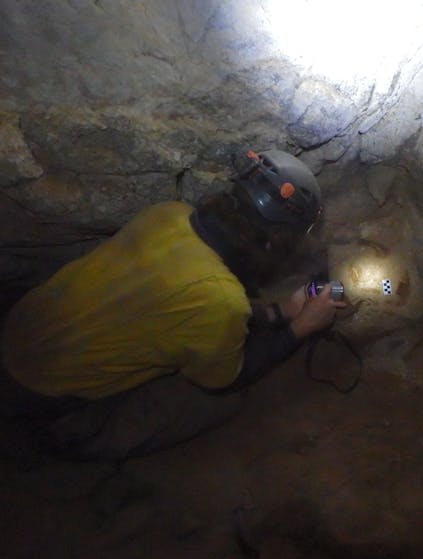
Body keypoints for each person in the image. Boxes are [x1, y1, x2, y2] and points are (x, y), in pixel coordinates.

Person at [0, 149, 345, 461]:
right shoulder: (221, 300)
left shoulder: (169, 215)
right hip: (45, 392)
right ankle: (59, 444)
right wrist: (302, 328)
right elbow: (226, 378)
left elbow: (181, 305)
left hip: (20, 325)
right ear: (273, 241)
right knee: (218, 404)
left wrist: (281, 311)